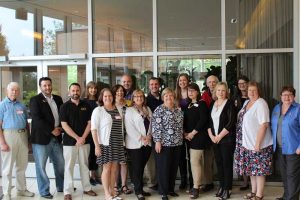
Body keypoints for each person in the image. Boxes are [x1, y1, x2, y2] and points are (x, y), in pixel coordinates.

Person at [60, 83, 97, 200]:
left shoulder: (86, 105)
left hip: (84, 141)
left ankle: (87, 188)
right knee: (68, 167)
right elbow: (64, 125)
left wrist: (83, 138)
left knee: (84, 165)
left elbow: (90, 123)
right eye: (73, 90)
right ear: (69, 92)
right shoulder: (64, 106)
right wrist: (77, 138)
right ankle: (68, 191)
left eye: (77, 90)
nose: (75, 92)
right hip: (69, 143)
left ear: (80, 91)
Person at [29, 77, 64, 199]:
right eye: (44, 85)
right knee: (41, 167)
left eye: (49, 85)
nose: (47, 87)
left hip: (57, 137)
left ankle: (61, 186)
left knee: (60, 164)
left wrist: (60, 128)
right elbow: (37, 119)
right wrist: (51, 130)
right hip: (41, 139)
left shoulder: (58, 99)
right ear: (40, 87)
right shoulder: (35, 100)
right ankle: (44, 191)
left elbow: (62, 115)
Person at [0, 82, 35, 200]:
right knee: (7, 168)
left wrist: (29, 140)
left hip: (23, 136)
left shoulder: (22, 106)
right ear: (7, 91)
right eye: (12, 90)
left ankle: (21, 190)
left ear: (19, 92)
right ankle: (6, 193)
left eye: (16, 90)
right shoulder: (2, 105)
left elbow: (26, 124)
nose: (14, 92)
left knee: (22, 165)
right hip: (8, 136)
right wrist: (2, 142)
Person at [91, 88, 126, 200]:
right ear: (102, 97)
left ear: (113, 96)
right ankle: (107, 193)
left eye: (110, 95)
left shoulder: (118, 109)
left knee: (115, 168)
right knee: (107, 168)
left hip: (117, 143)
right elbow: (93, 129)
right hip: (105, 144)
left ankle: (112, 191)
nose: (108, 98)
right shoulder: (98, 110)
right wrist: (97, 146)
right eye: (105, 96)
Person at [240, 81, 273, 200]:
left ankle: (259, 194)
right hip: (248, 144)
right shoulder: (247, 102)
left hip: (259, 144)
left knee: (259, 171)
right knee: (251, 170)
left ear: (259, 91)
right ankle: (253, 191)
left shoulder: (261, 103)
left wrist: (257, 143)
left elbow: (264, 125)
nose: (252, 92)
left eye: (254, 90)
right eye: (250, 90)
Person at [152, 88, 184, 200]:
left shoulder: (178, 110)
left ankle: (171, 189)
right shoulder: (159, 110)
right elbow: (156, 128)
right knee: (163, 168)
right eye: (166, 96)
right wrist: (157, 142)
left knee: (173, 168)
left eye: (170, 95)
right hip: (164, 144)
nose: (168, 97)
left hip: (177, 143)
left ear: (174, 97)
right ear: (163, 97)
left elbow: (181, 126)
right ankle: (163, 192)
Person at [207, 82, 236, 200]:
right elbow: (209, 123)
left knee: (227, 164)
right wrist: (212, 137)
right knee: (219, 164)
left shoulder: (229, 104)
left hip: (226, 140)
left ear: (226, 92)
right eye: (218, 90)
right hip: (215, 140)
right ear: (215, 92)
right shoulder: (213, 104)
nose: (221, 92)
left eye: (223, 90)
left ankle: (227, 189)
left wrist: (219, 136)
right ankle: (222, 186)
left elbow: (231, 122)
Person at [271, 86, 300, 200]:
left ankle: (292, 198)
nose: (287, 97)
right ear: (280, 96)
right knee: (284, 174)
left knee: (292, 176)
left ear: (294, 96)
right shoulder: (276, 108)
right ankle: (287, 196)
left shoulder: (298, 109)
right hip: (279, 147)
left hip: (294, 149)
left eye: (290, 95)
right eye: (284, 95)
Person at [125, 89, 153, 200]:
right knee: (137, 168)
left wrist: (149, 136)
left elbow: (152, 124)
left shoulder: (148, 109)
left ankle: (140, 188)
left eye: (141, 96)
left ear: (144, 97)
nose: (139, 98)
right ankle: (138, 191)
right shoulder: (129, 110)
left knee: (141, 167)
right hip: (135, 144)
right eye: (136, 97)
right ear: (133, 99)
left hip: (147, 143)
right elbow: (129, 128)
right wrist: (142, 138)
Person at [183, 83, 209, 199]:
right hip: (189, 137)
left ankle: (196, 187)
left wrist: (192, 133)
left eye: (193, 90)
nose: (190, 92)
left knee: (195, 161)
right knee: (194, 161)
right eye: (189, 91)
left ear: (197, 92)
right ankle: (198, 184)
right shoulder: (189, 105)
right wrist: (185, 133)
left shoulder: (202, 103)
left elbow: (203, 120)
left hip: (198, 137)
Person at [111, 84, 133, 195]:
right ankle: (115, 185)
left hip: (126, 137)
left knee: (124, 162)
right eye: (118, 91)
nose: (120, 93)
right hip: (114, 137)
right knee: (115, 162)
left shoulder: (128, 104)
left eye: (121, 91)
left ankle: (124, 185)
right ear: (114, 93)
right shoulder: (110, 105)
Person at [200, 75, 219, 192]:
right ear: (207, 84)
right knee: (207, 160)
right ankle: (209, 182)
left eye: (214, 82)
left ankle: (223, 182)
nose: (212, 84)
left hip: (221, 132)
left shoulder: (222, 94)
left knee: (220, 159)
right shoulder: (204, 96)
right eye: (210, 82)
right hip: (208, 132)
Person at [231, 75, 250, 191]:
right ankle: (245, 182)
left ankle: (254, 180)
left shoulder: (254, 97)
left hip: (251, 131)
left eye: (244, 83)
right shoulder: (235, 98)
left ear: (248, 83)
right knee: (242, 156)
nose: (242, 85)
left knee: (251, 155)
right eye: (240, 84)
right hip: (239, 131)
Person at [145, 77, 163, 190]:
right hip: (151, 133)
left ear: (159, 85)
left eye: (156, 84)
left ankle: (161, 181)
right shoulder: (146, 100)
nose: (154, 86)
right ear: (149, 86)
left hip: (163, 134)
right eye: (151, 84)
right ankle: (152, 182)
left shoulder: (163, 97)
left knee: (161, 159)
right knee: (151, 160)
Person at [82, 81, 101, 186]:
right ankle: (88, 177)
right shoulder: (83, 101)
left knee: (95, 155)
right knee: (88, 155)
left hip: (97, 132)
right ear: (87, 89)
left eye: (95, 88)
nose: (93, 90)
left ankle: (94, 176)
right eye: (91, 88)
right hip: (87, 132)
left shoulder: (99, 101)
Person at [175, 73, 191, 190]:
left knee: (191, 156)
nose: (182, 82)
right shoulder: (175, 95)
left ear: (188, 81)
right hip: (179, 129)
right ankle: (183, 180)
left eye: (184, 80)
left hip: (190, 129)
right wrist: (181, 130)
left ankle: (192, 180)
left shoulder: (191, 93)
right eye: (180, 80)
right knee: (180, 156)